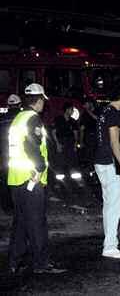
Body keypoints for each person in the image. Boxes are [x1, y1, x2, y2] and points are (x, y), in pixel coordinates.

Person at [7, 83, 66, 274]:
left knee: (21, 222)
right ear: (39, 100)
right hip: (30, 177)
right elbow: (31, 146)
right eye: (43, 101)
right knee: (37, 221)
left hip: (16, 178)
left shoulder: (18, 118)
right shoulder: (33, 119)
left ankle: (15, 261)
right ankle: (42, 263)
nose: (43, 105)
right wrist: (40, 168)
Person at [94, 93, 120, 259]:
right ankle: (110, 246)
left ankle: (109, 244)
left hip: (100, 162)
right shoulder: (114, 114)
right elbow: (114, 141)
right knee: (114, 208)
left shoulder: (104, 112)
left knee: (109, 206)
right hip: (111, 164)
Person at [51, 102, 80, 173]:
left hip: (70, 142)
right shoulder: (58, 119)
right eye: (71, 109)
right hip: (61, 142)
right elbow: (53, 132)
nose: (72, 111)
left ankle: (72, 178)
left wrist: (75, 144)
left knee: (71, 161)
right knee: (60, 161)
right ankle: (60, 178)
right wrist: (57, 144)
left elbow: (75, 134)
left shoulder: (73, 121)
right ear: (67, 109)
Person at [79, 100, 97, 166]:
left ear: (90, 103)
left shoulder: (98, 110)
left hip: (99, 136)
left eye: (85, 104)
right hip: (89, 137)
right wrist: (81, 141)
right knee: (90, 155)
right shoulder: (84, 114)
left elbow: (97, 118)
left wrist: (88, 111)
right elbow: (82, 128)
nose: (84, 106)